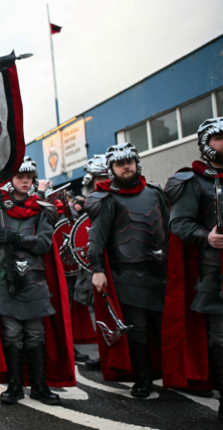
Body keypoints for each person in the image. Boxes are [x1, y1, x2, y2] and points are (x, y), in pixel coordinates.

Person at [0, 156, 74, 406]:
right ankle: (14, 386)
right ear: (10, 179)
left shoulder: (43, 208)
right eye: (20, 176)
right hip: (4, 279)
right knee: (11, 335)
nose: (25, 181)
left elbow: (43, 243)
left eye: (29, 178)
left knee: (34, 334)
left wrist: (17, 239)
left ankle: (39, 387)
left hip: (34, 280)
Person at [86, 143, 169, 398]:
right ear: (111, 169)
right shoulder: (106, 198)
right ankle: (143, 380)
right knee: (138, 331)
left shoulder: (155, 192)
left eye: (129, 162)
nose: (126, 167)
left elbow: (170, 229)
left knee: (167, 328)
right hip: (127, 276)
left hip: (162, 272)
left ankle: (173, 375)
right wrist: (97, 269)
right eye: (120, 164)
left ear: (136, 163)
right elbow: (96, 238)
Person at [164, 117, 223, 419]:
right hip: (214, 273)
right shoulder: (192, 181)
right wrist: (207, 237)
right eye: (219, 138)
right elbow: (179, 224)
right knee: (221, 337)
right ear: (205, 144)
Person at [77, 155, 110, 370]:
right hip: (94, 265)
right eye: (100, 178)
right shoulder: (89, 205)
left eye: (106, 177)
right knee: (98, 310)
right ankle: (106, 354)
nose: (104, 181)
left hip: (121, 263)